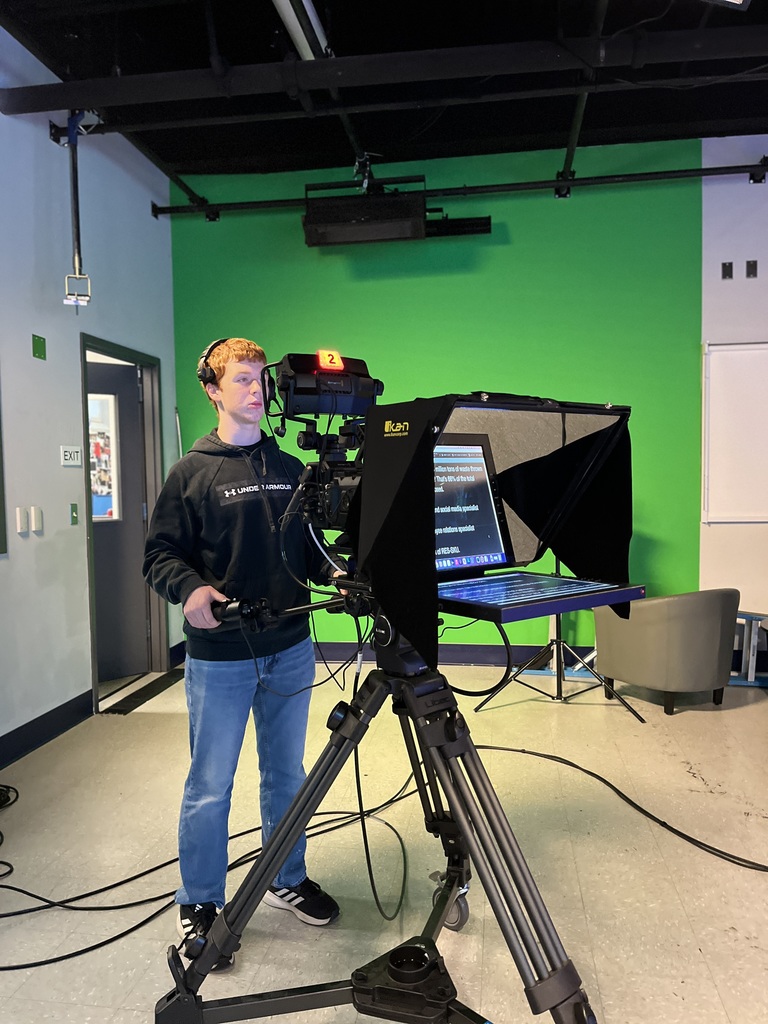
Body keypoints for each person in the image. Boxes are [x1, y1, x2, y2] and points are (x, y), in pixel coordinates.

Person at [143, 337, 340, 970]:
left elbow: (307, 551)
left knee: (287, 776)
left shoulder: (289, 469)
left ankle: (286, 878)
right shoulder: (190, 473)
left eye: (261, 380)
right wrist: (191, 589)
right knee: (210, 784)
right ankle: (200, 901)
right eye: (243, 381)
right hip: (221, 656)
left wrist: (335, 570)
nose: (256, 391)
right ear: (213, 389)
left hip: (289, 649)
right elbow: (158, 556)